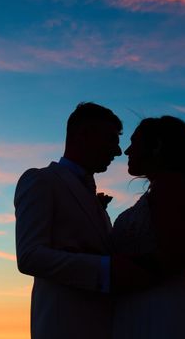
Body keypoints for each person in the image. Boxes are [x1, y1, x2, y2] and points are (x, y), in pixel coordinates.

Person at [110, 116, 185, 338]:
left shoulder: (171, 186)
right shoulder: (166, 188)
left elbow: (172, 257)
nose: (127, 151)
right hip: (153, 307)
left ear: (156, 147)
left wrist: (107, 266)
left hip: (162, 315)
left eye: (135, 142)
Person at [14, 102, 124, 339]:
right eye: (111, 140)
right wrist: (107, 270)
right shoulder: (41, 180)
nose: (117, 151)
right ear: (83, 135)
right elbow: (30, 256)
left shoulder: (92, 196)